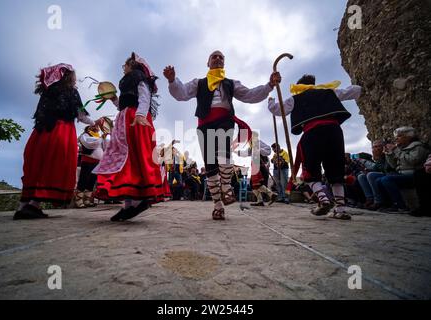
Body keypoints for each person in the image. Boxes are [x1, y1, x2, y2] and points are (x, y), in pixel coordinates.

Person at [164, 50, 280, 220]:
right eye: (214, 56)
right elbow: (181, 93)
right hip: (205, 125)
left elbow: (250, 95)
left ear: (224, 63)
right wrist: (173, 80)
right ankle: (218, 206)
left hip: (225, 122)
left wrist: (269, 85)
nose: (218, 58)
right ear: (208, 62)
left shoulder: (231, 83)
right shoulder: (199, 83)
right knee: (211, 167)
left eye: (221, 57)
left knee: (224, 156)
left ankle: (226, 187)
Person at [268, 74, 361, 220]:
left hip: (312, 134)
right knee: (336, 171)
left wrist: (271, 102)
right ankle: (341, 209)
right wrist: (359, 86)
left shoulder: (295, 98)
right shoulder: (329, 91)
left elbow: (277, 110)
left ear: (299, 87)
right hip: (334, 132)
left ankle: (323, 200)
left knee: (310, 172)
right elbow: (354, 90)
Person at [15, 63, 96, 220]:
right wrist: (95, 122)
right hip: (60, 132)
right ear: (69, 77)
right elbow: (81, 116)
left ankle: (22, 207)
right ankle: (34, 205)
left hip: (40, 133)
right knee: (54, 166)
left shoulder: (48, 92)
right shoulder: (71, 92)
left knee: (37, 167)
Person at [93, 52, 163, 221]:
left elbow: (144, 97)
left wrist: (139, 115)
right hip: (125, 119)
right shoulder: (128, 80)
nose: (123, 68)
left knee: (134, 158)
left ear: (131, 64)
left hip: (135, 119)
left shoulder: (137, 76)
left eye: (124, 65)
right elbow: (123, 105)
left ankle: (137, 202)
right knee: (126, 161)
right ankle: (129, 205)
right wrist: (114, 100)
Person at [380, 127, 430, 213]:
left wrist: (396, 150)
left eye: (399, 136)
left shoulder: (418, 147)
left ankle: (401, 206)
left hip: (413, 174)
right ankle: (386, 204)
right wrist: (389, 154)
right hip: (402, 174)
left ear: (408, 137)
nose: (396, 139)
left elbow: (413, 160)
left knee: (386, 179)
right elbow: (394, 165)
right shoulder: (401, 149)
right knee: (378, 180)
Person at [74, 124, 107, 208]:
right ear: (88, 128)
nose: (96, 127)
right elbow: (90, 144)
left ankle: (87, 200)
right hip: (88, 160)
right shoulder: (84, 136)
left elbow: (104, 147)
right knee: (83, 179)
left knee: (92, 181)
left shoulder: (99, 136)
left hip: (97, 161)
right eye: (93, 126)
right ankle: (78, 200)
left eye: (97, 127)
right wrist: (101, 138)